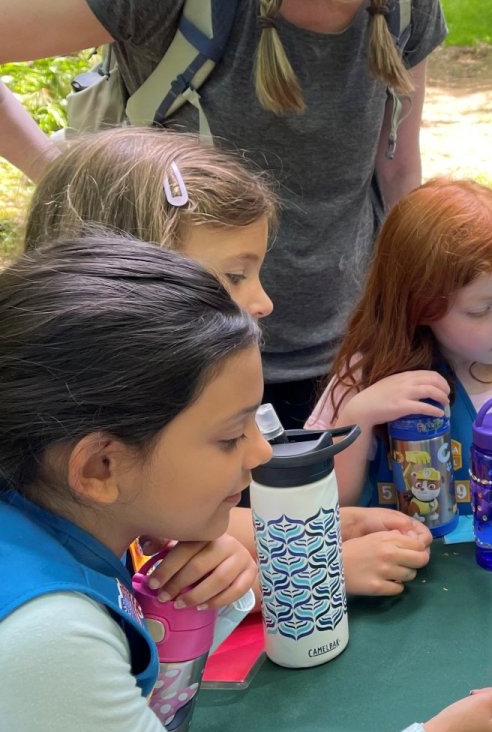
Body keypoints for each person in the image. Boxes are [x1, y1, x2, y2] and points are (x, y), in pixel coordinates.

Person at [0, 235, 492, 732]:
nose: (259, 455)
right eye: (230, 438)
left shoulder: (53, 518)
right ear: (100, 468)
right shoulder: (43, 634)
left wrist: (217, 593)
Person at [0, 0, 457, 429]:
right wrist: (59, 173)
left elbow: (398, 173)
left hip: (352, 364)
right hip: (177, 371)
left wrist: (415, 318)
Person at [23, 126, 433, 597]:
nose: (262, 302)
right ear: (128, 275)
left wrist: (317, 529)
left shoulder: (89, 434)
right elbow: (151, 593)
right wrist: (313, 575)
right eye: (234, 276)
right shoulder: (91, 472)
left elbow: (166, 535)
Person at [310, 178, 492, 534]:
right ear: (419, 304)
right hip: (410, 575)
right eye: (480, 310)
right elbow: (330, 508)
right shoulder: (367, 376)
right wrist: (358, 416)